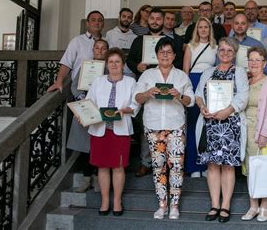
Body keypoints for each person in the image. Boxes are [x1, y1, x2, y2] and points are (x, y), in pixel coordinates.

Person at [135, 37, 195, 220]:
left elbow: (190, 101)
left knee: (176, 166)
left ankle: (175, 205)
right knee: (158, 167)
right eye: (162, 52)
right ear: (156, 55)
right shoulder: (147, 76)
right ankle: (162, 205)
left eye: (169, 52)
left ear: (174, 55)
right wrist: (147, 93)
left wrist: (179, 95)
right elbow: (137, 98)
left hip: (176, 126)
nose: (165, 55)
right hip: (153, 126)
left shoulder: (181, 76)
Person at [195, 37, 249, 223]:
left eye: (229, 51)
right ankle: (214, 204)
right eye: (222, 50)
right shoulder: (208, 72)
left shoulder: (239, 72)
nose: (225, 53)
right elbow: (198, 95)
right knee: (212, 165)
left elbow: (243, 96)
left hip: (229, 125)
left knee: (227, 166)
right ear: (217, 52)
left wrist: (227, 111)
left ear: (235, 54)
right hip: (210, 124)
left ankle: (225, 205)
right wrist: (202, 107)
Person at [86, 48, 139, 216]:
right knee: (102, 167)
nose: (114, 65)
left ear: (123, 65)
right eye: (111, 62)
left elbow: (136, 104)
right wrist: (83, 115)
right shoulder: (98, 81)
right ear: (106, 65)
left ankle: (117, 200)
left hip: (121, 130)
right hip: (99, 130)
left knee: (118, 167)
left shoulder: (131, 82)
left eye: (117, 61)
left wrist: (127, 110)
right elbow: (89, 102)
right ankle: (104, 201)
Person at [241, 47, 267, 222]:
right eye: (251, 59)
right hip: (247, 132)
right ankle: (253, 206)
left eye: (258, 60)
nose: (254, 63)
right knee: (251, 169)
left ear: (265, 63)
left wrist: (264, 133)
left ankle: (264, 206)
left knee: (265, 168)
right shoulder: (245, 82)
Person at [68, 39, 108, 193]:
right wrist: (81, 99)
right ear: (93, 50)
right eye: (97, 48)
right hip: (85, 109)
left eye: (103, 48)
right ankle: (86, 179)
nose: (99, 51)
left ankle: (98, 179)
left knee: (99, 146)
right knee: (85, 147)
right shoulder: (85, 67)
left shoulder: (109, 67)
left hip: (100, 110)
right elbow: (74, 86)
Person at [183, 17, 218, 178]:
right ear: (196, 30)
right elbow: (185, 72)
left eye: (206, 27)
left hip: (210, 85)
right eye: (200, 27)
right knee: (192, 127)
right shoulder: (190, 46)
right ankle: (193, 166)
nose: (203, 30)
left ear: (210, 29)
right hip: (193, 81)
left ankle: (206, 166)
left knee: (207, 127)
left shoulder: (216, 47)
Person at [47, 10, 104, 92]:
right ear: (87, 24)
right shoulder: (77, 41)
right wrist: (59, 82)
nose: (97, 23)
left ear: (103, 24)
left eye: (100, 20)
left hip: (101, 88)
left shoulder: (108, 42)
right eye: (93, 20)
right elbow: (66, 63)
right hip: (80, 89)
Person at [105, 7, 137, 77]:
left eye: (129, 17)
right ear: (119, 18)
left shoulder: (135, 37)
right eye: (124, 16)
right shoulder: (110, 34)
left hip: (128, 72)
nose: (126, 19)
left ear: (132, 20)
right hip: (112, 70)